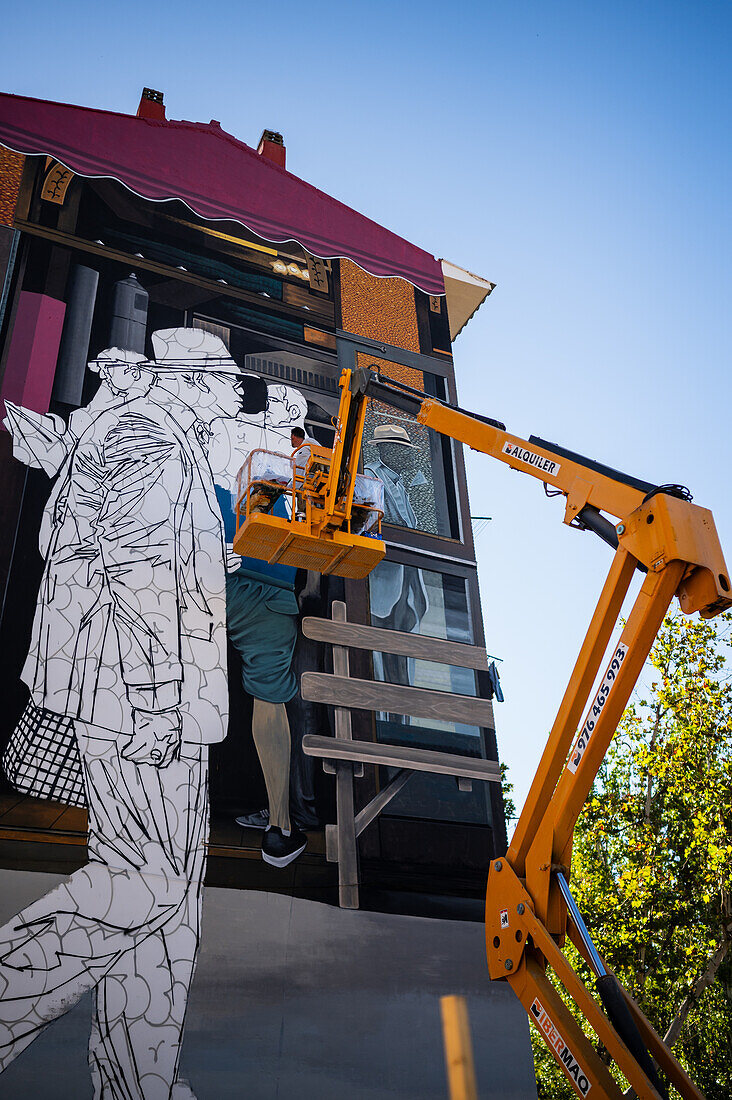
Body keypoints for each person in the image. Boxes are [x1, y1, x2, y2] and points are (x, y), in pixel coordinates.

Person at [0, 327, 245, 1099]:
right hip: (138, 699)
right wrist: (158, 699)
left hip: (148, 698)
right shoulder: (151, 435)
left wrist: (207, 556)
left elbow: (121, 543)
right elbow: (135, 570)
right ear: (192, 381)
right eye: (227, 383)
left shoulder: (150, 434)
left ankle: (137, 1085)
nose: (236, 397)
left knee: (170, 909)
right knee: (143, 885)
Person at [207, 415, 309, 866]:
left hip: (206, 574)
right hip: (270, 585)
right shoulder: (300, 457)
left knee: (178, 678)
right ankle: (280, 828)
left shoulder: (211, 436)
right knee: (268, 698)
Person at [364, 423, 429, 721]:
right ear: (386, 450)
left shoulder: (402, 483)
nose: (409, 458)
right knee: (383, 659)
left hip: (407, 585)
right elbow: (369, 522)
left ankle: (402, 721)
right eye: (403, 451)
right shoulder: (369, 474)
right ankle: (385, 721)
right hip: (383, 581)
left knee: (403, 663)